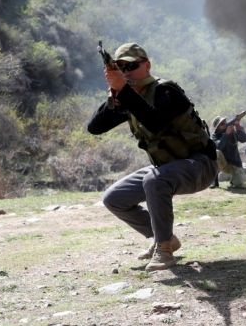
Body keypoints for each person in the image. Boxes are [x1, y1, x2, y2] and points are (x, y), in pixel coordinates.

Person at [87, 42, 218, 271]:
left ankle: (164, 249)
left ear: (146, 65)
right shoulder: (130, 99)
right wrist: (115, 96)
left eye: (132, 66)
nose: (127, 72)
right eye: (120, 68)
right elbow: (95, 128)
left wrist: (125, 92)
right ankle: (163, 237)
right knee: (114, 198)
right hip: (168, 169)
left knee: (153, 180)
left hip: (200, 165)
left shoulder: (167, 91)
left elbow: (156, 123)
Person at [211, 115, 246, 189]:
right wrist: (226, 134)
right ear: (217, 128)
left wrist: (238, 126)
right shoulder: (215, 136)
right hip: (223, 165)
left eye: (225, 122)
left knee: (240, 182)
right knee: (216, 152)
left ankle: (231, 179)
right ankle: (214, 181)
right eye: (222, 124)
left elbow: (244, 139)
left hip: (235, 165)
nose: (225, 124)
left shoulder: (232, 132)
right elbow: (219, 147)